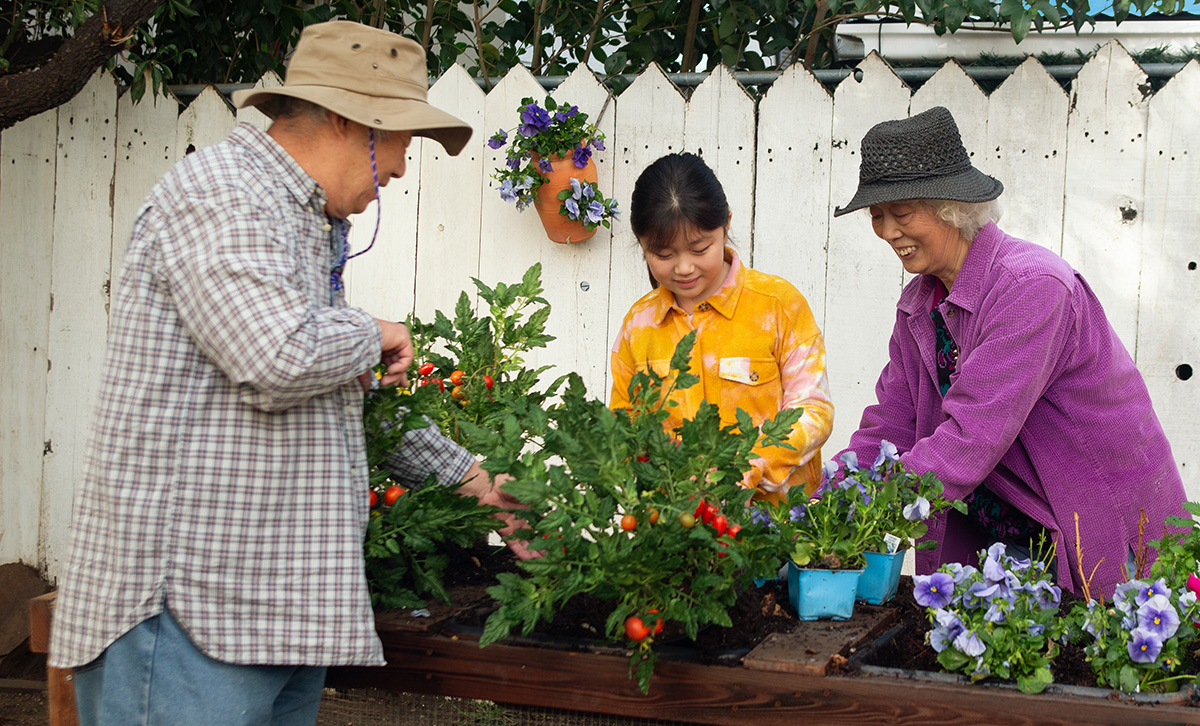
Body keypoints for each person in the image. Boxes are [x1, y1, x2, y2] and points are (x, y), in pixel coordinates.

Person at [48, 20, 524, 726]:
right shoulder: (224, 195)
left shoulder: (299, 220)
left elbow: (333, 391)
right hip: (186, 620)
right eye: (400, 141)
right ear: (346, 119)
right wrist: (371, 332)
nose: (400, 167)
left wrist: (477, 483)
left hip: (263, 615)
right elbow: (274, 354)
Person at [831, 105, 1186, 596]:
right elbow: (890, 422)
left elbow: (971, 436)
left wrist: (869, 507)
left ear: (950, 207)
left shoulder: (1030, 287)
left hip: (1092, 518)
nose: (888, 231)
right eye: (877, 216)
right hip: (1006, 533)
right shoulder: (920, 303)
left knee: (1100, 663)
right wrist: (830, 502)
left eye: (902, 213)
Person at [610, 153, 834, 501]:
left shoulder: (777, 305)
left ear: (725, 226)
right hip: (679, 527)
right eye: (663, 255)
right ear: (641, 243)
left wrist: (751, 464)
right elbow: (623, 426)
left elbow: (814, 409)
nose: (684, 268)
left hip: (778, 528)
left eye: (700, 248)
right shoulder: (638, 326)